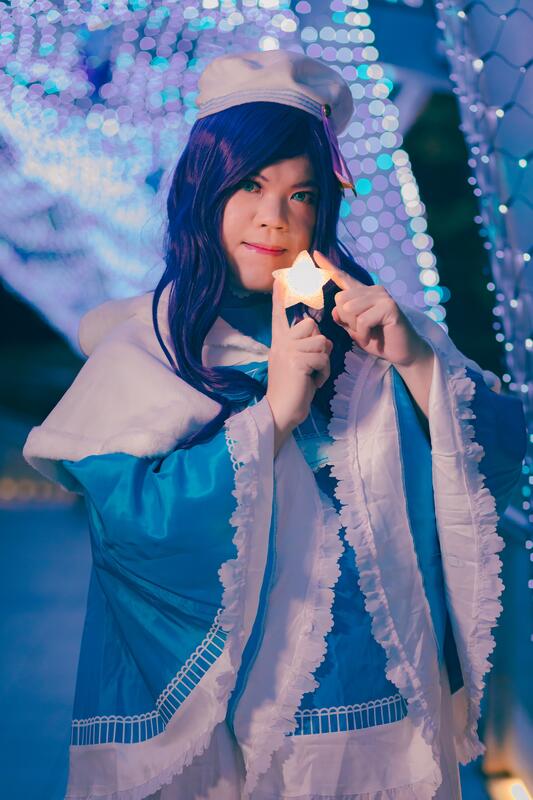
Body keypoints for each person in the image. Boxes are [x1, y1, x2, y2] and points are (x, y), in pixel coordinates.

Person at [23, 50, 527, 800]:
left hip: (384, 713)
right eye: (250, 185)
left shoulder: (380, 329)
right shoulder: (148, 348)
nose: (274, 217)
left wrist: (419, 364)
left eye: (302, 194)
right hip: (235, 729)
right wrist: (274, 416)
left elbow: (502, 456)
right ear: (202, 190)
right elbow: (133, 530)